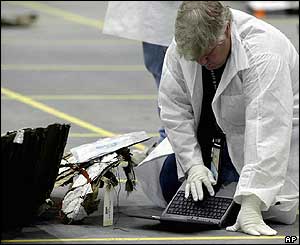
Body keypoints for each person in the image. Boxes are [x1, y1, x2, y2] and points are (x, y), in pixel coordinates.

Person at [138, 1, 299, 237]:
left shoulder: (264, 52)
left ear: (226, 28)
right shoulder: (183, 44)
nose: (203, 61)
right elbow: (174, 109)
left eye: (209, 52)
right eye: (196, 57)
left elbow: (267, 129)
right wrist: (192, 166)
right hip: (214, 136)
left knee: (236, 199)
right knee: (170, 183)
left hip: (264, 141)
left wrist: (253, 200)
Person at [102, 1, 182, 143]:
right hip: (160, 18)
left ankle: (168, 140)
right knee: (161, 71)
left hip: (167, 18)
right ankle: (168, 138)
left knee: (169, 76)